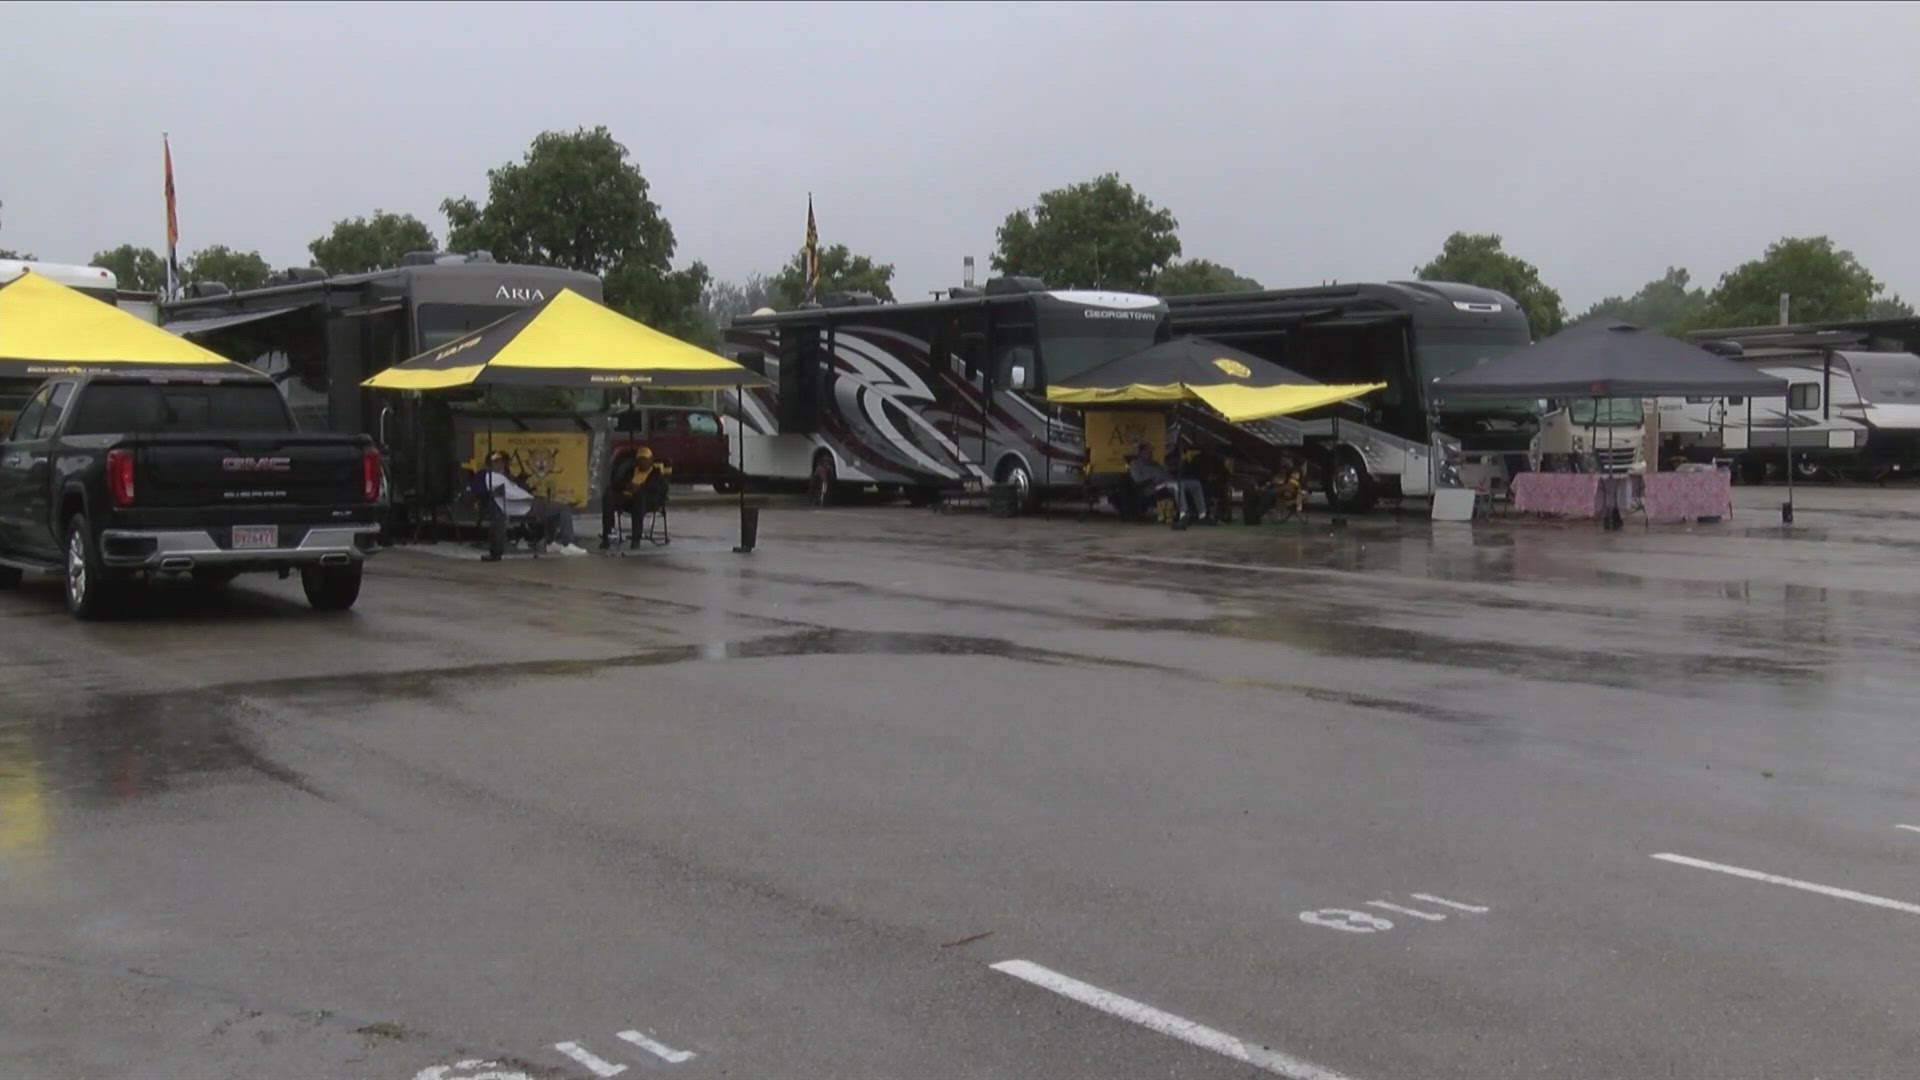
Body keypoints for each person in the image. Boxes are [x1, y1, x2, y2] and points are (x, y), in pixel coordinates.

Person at [479, 450, 580, 560]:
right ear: (491, 464)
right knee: (563, 508)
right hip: (525, 507)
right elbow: (510, 494)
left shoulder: (500, 476)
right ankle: (567, 544)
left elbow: (514, 490)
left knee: (554, 507)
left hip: (526, 504)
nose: (502, 464)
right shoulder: (493, 478)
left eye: (502, 462)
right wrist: (530, 499)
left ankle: (551, 542)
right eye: (497, 462)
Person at [600, 445, 671, 550]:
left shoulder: (656, 473)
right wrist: (626, 486)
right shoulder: (630, 470)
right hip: (627, 499)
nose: (642, 462)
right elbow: (616, 484)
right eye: (640, 460)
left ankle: (635, 539)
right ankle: (607, 536)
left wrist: (640, 488)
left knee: (640, 498)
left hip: (648, 502)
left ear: (651, 460)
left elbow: (662, 489)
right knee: (608, 496)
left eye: (645, 460)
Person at [1128, 441, 1211, 529]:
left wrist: (1176, 467)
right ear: (1140, 453)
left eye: (1150, 452)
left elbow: (1167, 472)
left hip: (1170, 482)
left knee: (1195, 484)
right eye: (1147, 452)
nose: (1150, 454)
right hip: (1154, 486)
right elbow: (1137, 479)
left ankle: (1202, 515)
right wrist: (1154, 477)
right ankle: (1184, 514)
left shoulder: (1155, 464)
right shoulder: (1135, 464)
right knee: (1177, 485)